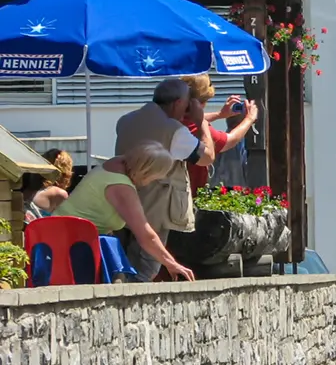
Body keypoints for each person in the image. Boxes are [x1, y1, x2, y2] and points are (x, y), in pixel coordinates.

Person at [114, 78, 216, 281]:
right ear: (178, 103)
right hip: (156, 207)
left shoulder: (126, 120)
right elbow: (207, 157)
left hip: (121, 201)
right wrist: (200, 123)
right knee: (146, 268)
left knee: (122, 265)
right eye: (187, 104)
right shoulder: (173, 131)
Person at [52, 142, 195, 281]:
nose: (152, 182)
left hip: (58, 232)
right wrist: (172, 264)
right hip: (73, 242)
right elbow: (146, 235)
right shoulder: (121, 187)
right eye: (154, 178)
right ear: (145, 173)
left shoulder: (115, 163)